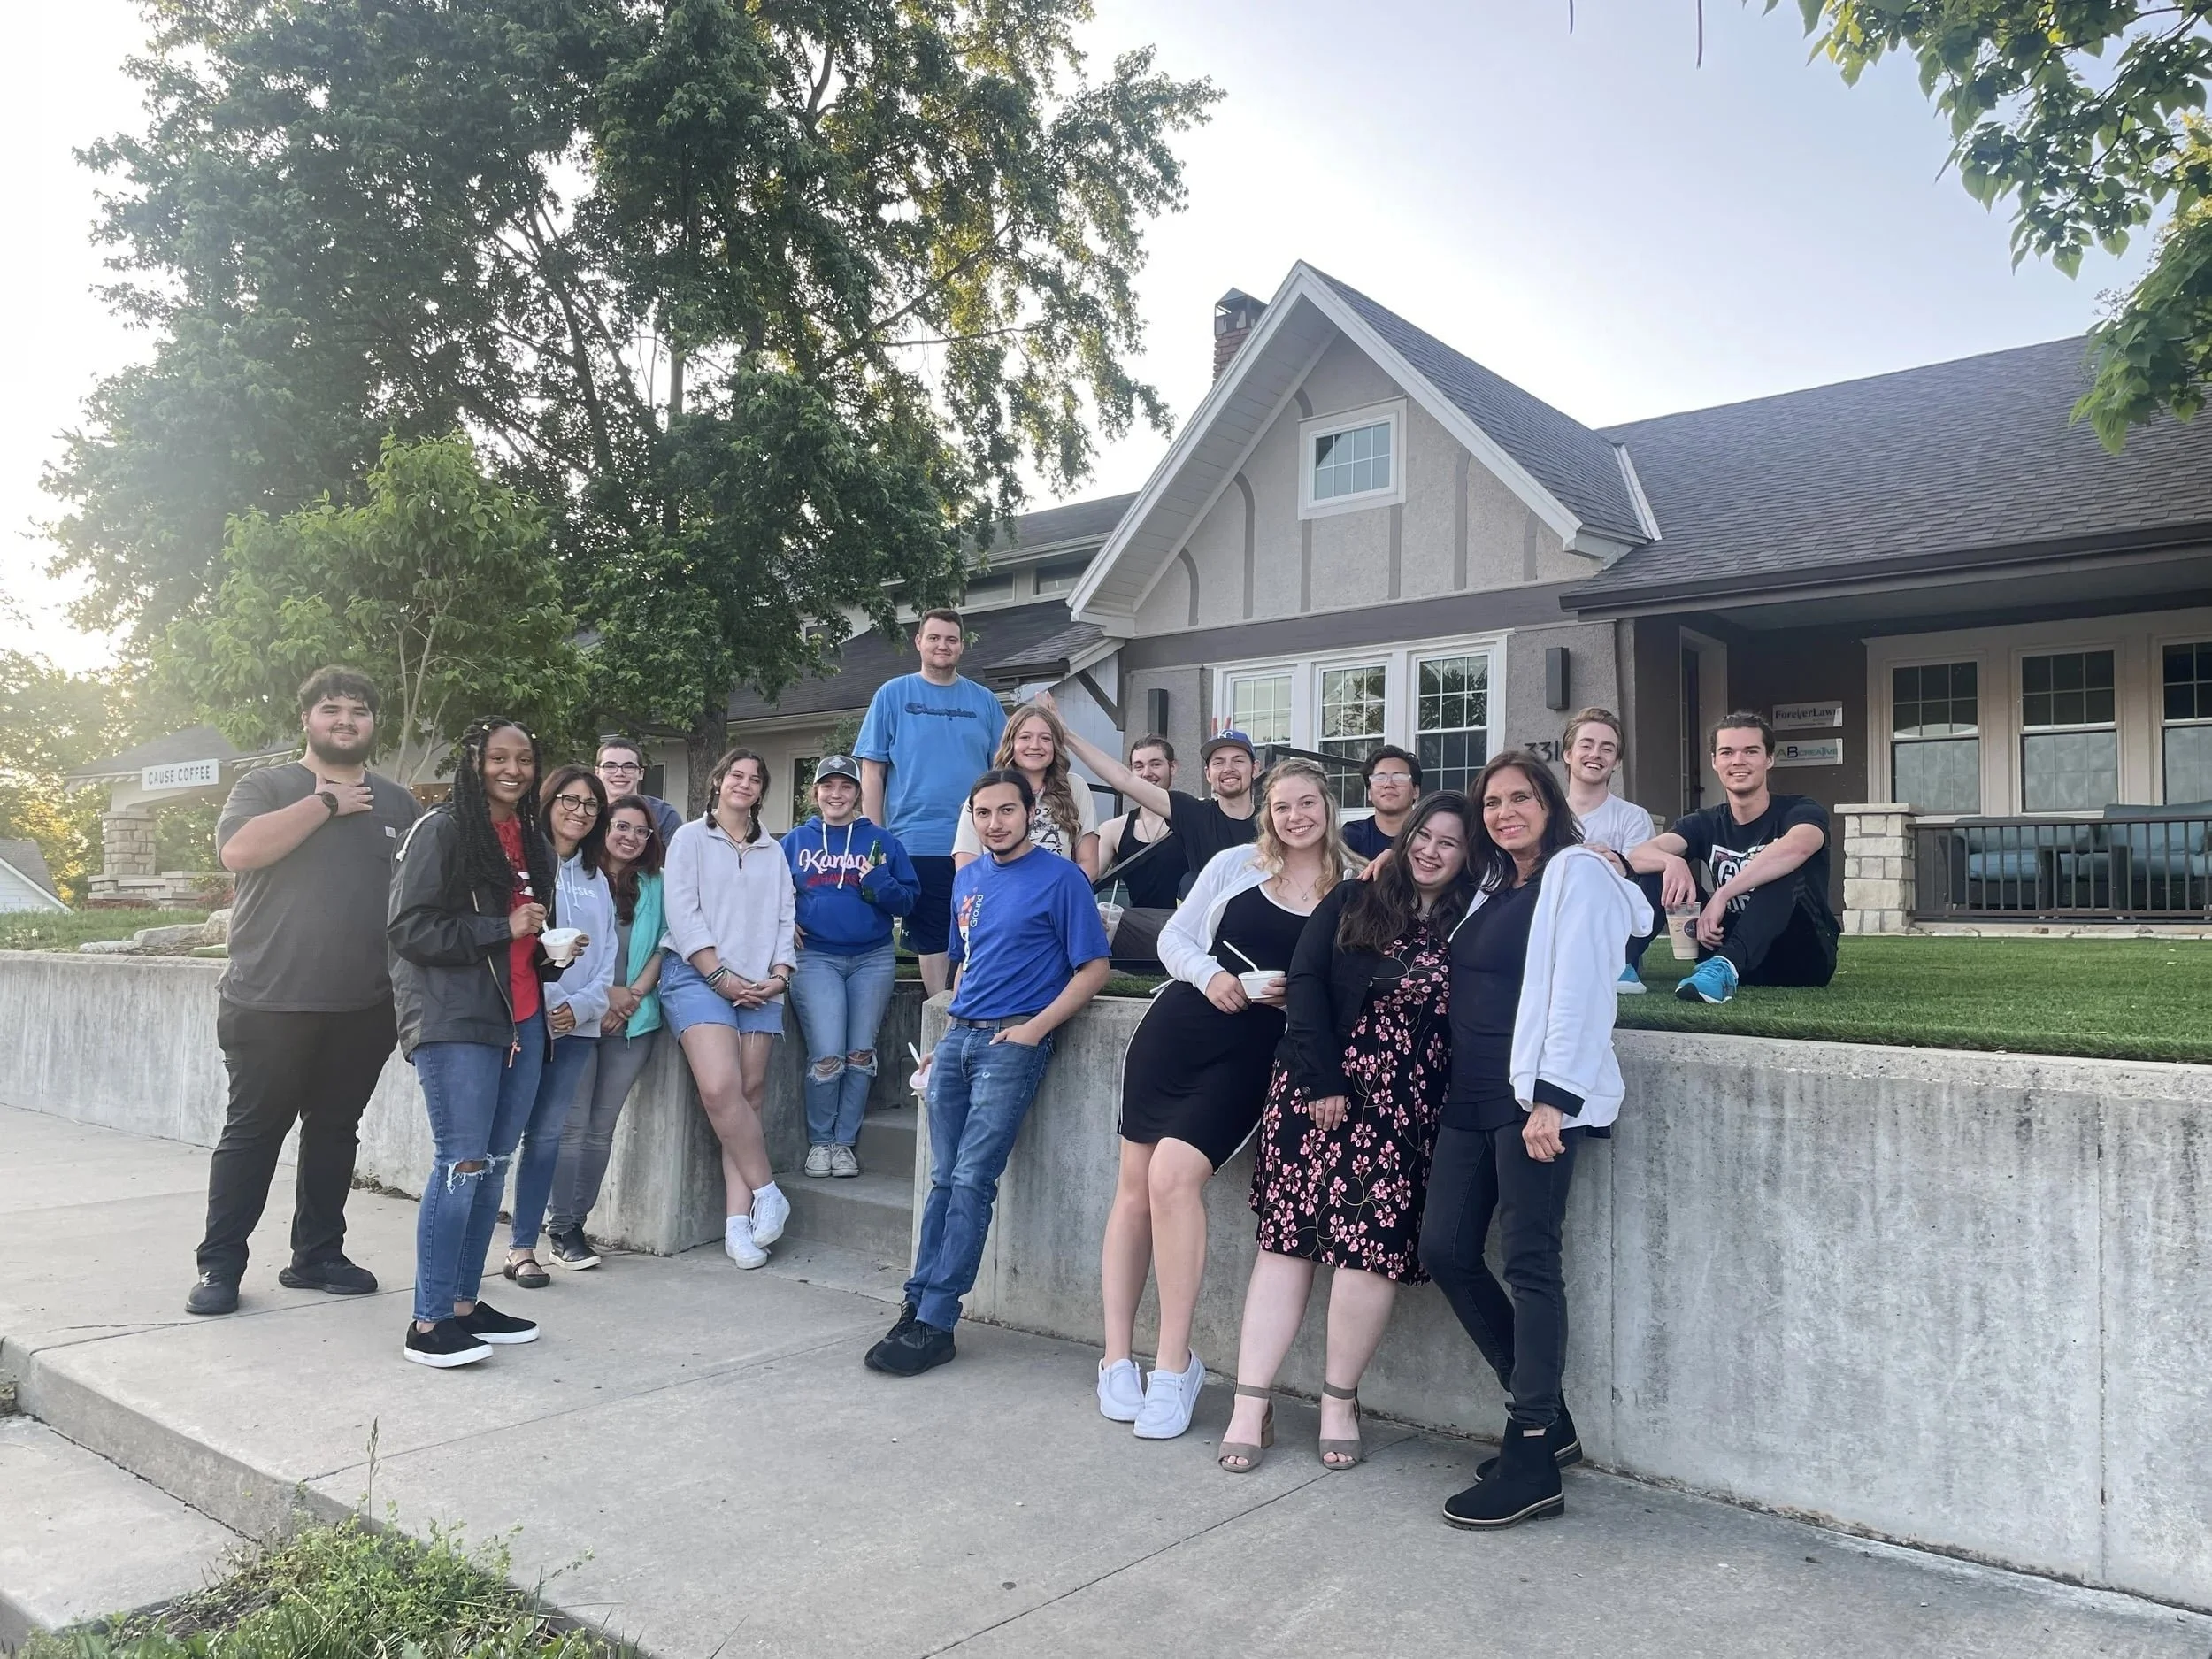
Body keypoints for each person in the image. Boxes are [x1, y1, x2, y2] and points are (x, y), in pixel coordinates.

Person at [1420, 750, 1650, 1530]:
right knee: (1445, 1249)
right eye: (1492, 802)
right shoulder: (1499, 884)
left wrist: (1553, 1099)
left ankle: (1530, 1457)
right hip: (1469, 1096)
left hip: (1530, 1099)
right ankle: (1549, 1420)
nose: (1504, 812)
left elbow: (1583, 991)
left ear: (1551, 803)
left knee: (1530, 1263)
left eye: (1520, 797)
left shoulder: (1576, 873)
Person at [1218, 790, 1476, 1475]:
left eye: (1450, 842)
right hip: (1318, 1090)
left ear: (1468, 855)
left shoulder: (1472, 919)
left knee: (1370, 1254)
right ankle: (1250, 1402)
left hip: (1405, 1112)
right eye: (1423, 835)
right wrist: (1324, 1080)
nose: (1431, 851)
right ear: (1405, 836)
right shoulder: (1354, 898)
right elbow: (1305, 983)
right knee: (1287, 1245)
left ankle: (1339, 1400)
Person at [1099, 758, 1345, 1440]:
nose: (1295, 816)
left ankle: (1174, 1365)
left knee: (1173, 1178)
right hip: (1178, 1028)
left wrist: (1304, 997)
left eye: (1307, 803)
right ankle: (1116, 1357)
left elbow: (1350, 982)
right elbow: (1173, 937)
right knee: (1133, 1189)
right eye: (1282, 806)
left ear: (1329, 806)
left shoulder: (1349, 889)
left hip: (1255, 1051)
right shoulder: (1238, 864)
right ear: (1268, 813)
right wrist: (1211, 975)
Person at [186, 667, 420, 1317]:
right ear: (307, 719)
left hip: (364, 1005)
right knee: (253, 1133)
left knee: (335, 1134)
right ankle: (220, 1265)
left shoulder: (399, 804)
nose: (346, 719)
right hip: (268, 1001)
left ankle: (317, 1255)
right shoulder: (266, 786)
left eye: (359, 710)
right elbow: (238, 851)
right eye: (331, 708)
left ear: (374, 723)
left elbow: (418, 898)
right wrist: (327, 803)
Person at [865, 770, 1110, 1378]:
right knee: (942, 1179)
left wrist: (1034, 1029)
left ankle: (937, 1321)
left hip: (1012, 1041)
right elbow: (964, 966)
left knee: (972, 1178)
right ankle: (916, 1302)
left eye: (1006, 810)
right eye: (983, 813)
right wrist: (942, 1041)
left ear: (1030, 813)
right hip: (960, 1038)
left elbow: (1093, 968)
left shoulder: (1062, 879)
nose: (994, 823)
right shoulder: (968, 878)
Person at [387, 718, 557, 1368]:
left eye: (525, 758)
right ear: (474, 761)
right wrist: (500, 927)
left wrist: (550, 953)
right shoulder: (442, 829)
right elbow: (410, 929)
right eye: (498, 757)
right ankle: (428, 1322)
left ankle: (463, 1303)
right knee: (460, 1163)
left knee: (494, 1164)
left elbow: (521, 938)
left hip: (522, 1016)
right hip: (456, 1017)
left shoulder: (532, 840)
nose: (513, 769)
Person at [663, 747, 799, 1268]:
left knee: (749, 1096)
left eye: (754, 778)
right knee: (721, 1088)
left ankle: (738, 1226)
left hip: (761, 984)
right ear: (718, 782)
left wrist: (780, 975)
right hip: (698, 976)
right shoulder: (690, 838)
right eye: (735, 775)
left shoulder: (773, 850)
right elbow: (683, 912)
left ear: (762, 790)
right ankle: (769, 1193)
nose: (744, 783)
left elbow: (785, 917)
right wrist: (719, 977)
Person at [1626, 712, 1840, 1006]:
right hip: (1720, 945)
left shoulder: (1800, 810)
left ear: (1769, 759)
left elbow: (1798, 848)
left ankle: (1725, 966)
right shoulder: (1705, 822)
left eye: (1750, 751)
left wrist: (1723, 894)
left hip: (1800, 958)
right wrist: (1673, 863)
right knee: (1659, 871)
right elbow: (1638, 856)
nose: (1738, 761)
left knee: (1783, 867)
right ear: (1715, 761)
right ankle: (1620, 964)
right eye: (1727, 752)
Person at [499, 766, 617, 1289]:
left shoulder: (598, 879)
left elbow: (607, 955)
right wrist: (549, 1004)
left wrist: (582, 1008)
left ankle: (524, 1247)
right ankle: (468, 1252)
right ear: (548, 802)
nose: (580, 812)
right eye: (570, 800)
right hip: (526, 1018)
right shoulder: (524, 865)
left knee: (548, 1135)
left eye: (591, 805)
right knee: (500, 1138)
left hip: (577, 1026)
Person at [544, 794, 669, 1268]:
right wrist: (606, 997)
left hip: (633, 1020)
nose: (631, 837)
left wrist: (631, 996)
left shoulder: (656, 884)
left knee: (600, 1129)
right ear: (605, 828)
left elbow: (665, 945)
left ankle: (575, 1223)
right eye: (622, 826)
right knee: (571, 1127)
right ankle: (559, 1226)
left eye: (641, 831)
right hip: (578, 1015)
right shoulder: (577, 876)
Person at [856, 609, 1007, 997]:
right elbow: (872, 771)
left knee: (984, 931)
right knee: (934, 938)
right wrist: (876, 838)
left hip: (980, 841)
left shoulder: (985, 701)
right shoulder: (892, 694)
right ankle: (943, 1016)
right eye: (935, 638)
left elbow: (1004, 773)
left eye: (951, 639)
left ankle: (979, 1011)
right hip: (916, 841)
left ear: (962, 646)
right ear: (918, 642)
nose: (943, 646)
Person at [782, 756, 919, 1178]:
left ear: (858, 793)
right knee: (827, 1054)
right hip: (815, 957)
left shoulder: (882, 841)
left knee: (860, 1054)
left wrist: (877, 881)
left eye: (845, 786)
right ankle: (820, 1142)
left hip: (872, 958)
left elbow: (907, 901)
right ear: (816, 793)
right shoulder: (795, 841)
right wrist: (782, 922)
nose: (836, 794)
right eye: (828, 786)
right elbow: (768, 893)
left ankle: (843, 1144)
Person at [1044, 693, 1259, 888]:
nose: (1228, 768)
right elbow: (1124, 780)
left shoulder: (1271, 820)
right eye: (1218, 762)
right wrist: (1068, 736)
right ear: (1207, 774)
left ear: (1256, 768)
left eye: (1238, 760)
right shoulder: (1195, 814)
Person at [1557, 707, 1663, 994]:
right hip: (1558, 923)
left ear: (1616, 762)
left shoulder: (1632, 817)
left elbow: (1643, 886)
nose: (1596, 754)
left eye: (1607, 749)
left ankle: (1620, 965)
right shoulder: (1545, 818)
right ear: (1568, 754)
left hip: (1613, 932)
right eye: (1586, 745)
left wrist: (1620, 866)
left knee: (1657, 875)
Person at [951, 698, 1100, 876]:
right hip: (998, 890)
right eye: (1025, 737)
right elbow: (966, 871)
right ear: (1011, 743)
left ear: (1056, 746)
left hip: (1059, 890)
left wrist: (1057, 889)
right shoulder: (984, 795)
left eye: (1045, 738)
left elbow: (1089, 865)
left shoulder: (1074, 787)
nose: (1035, 746)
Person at [1092, 735, 1187, 909]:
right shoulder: (1113, 829)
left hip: (1189, 921)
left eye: (1155, 764)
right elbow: (1085, 879)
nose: (1146, 773)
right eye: (1139, 766)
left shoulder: (1194, 820)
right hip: (1136, 922)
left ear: (1172, 767)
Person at [1340, 746, 1423, 863]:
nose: (1388, 784)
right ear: (1369, 792)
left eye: (1399, 778)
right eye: (1380, 778)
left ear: (1415, 791)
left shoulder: (1429, 838)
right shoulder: (1349, 838)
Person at [595, 737, 683, 845]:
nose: (619, 773)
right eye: (610, 766)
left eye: (629, 767)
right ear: (597, 772)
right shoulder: (588, 812)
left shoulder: (664, 815)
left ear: (641, 774)